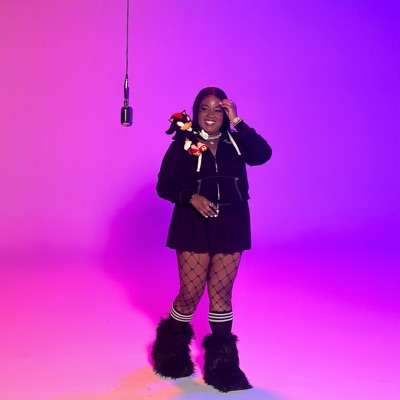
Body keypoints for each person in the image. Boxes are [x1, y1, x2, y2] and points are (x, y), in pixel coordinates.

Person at [151, 87, 272, 392]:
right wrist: (191, 197)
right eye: (204, 108)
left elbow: (263, 155)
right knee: (190, 294)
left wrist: (239, 121)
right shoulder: (184, 142)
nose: (211, 115)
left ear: (225, 114)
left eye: (218, 110)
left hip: (232, 221)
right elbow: (164, 185)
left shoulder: (236, 140)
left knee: (221, 294)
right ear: (195, 112)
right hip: (193, 221)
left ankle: (223, 368)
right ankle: (170, 351)